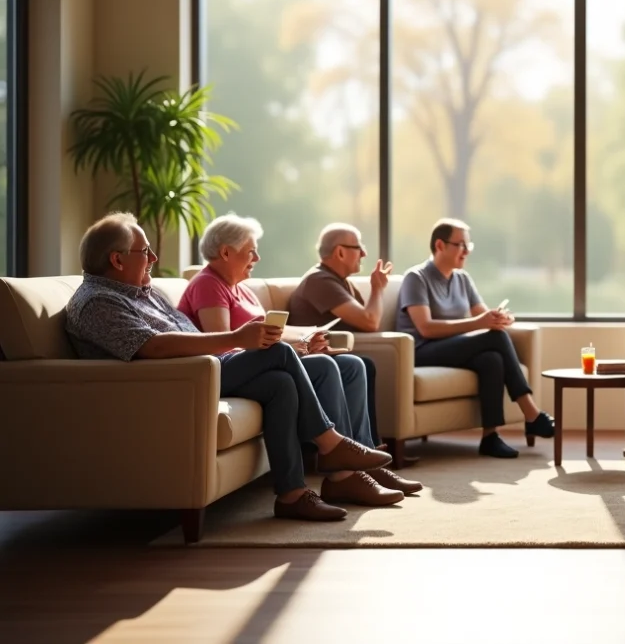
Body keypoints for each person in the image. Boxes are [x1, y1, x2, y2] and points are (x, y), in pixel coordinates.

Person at [64, 213, 393, 522]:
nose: (153, 259)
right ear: (117, 259)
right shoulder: (98, 301)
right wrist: (238, 338)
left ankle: (292, 494)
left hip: (203, 370)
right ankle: (330, 444)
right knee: (279, 354)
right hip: (183, 380)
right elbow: (153, 346)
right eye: (145, 251)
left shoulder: (143, 292)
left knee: (281, 384)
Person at [179, 214, 420, 503]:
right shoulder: (208, 284)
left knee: (353, 366)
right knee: (324, 366)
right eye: (250, 251)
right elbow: (224, 342)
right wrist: (294, 348)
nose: (256, 257)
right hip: (227, 370)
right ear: (226, 252)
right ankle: (341, 472)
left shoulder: (241, 288)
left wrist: (305, 340)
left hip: (256, 362)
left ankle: (363, 461)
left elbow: (271, 332)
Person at [392, 218, 555, 459]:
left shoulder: (462, 279)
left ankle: (490, 437)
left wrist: (499, 319)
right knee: (496, 340)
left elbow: (482, 315)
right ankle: (531, 413)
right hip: (421, 351)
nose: (466, 251)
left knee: (491, 358)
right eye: (460, 245)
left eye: (469, 246)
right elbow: (425, 328)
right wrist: (481, 323)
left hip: (452, 349)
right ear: (440, 245)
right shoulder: (416, 278)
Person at [286, 222, 393, 449]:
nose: (364, 253)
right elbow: (370, 321)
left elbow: (367, 321)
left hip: (325, 353)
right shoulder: (320, 281)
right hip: (307, 356)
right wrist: (377, 289)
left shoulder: (341, 282)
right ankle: (363, 448)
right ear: (340, 252)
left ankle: (368, 446)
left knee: (365, 364)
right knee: (361, 364)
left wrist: (376, 290)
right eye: (358, 247)